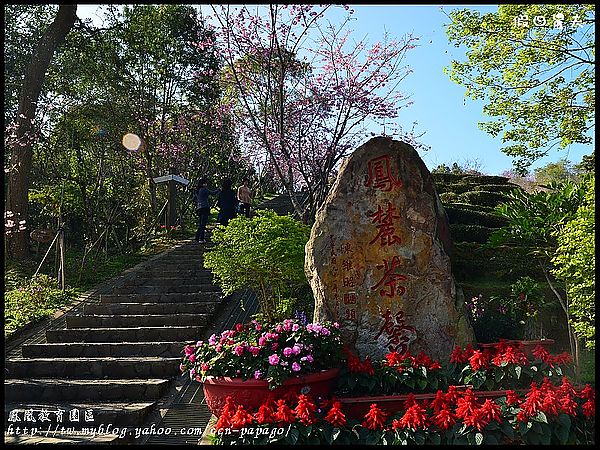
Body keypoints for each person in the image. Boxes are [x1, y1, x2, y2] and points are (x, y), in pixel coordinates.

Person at [193, 178, 217, 243]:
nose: (206, 184)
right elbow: (212, 193)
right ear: (203, 184)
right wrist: (219, 190)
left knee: (201, 223)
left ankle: (197, 237)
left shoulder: (197, 190)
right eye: (205, 183)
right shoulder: (204, 189)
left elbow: (194, 199)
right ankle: (201, 238)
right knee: (203, 224)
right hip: (204, 208)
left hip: (199, 208)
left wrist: (198, 202)